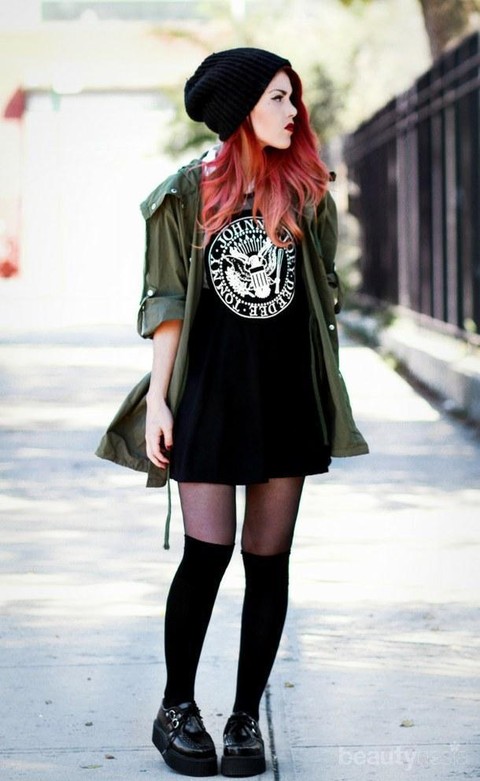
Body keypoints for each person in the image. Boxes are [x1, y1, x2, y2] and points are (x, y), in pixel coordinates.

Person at [96, 46, 368, 778]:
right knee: (207, 554)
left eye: (293, 97)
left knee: (268, 561)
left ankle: (246, 715)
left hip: (285, 400)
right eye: (278, 97)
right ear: (241, 109)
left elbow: (320, 301)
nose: (293, 111)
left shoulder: (306, 195)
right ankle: (176, 706)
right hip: (208, 399)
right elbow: (166, 307)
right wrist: (159, 401)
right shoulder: (184, 196)